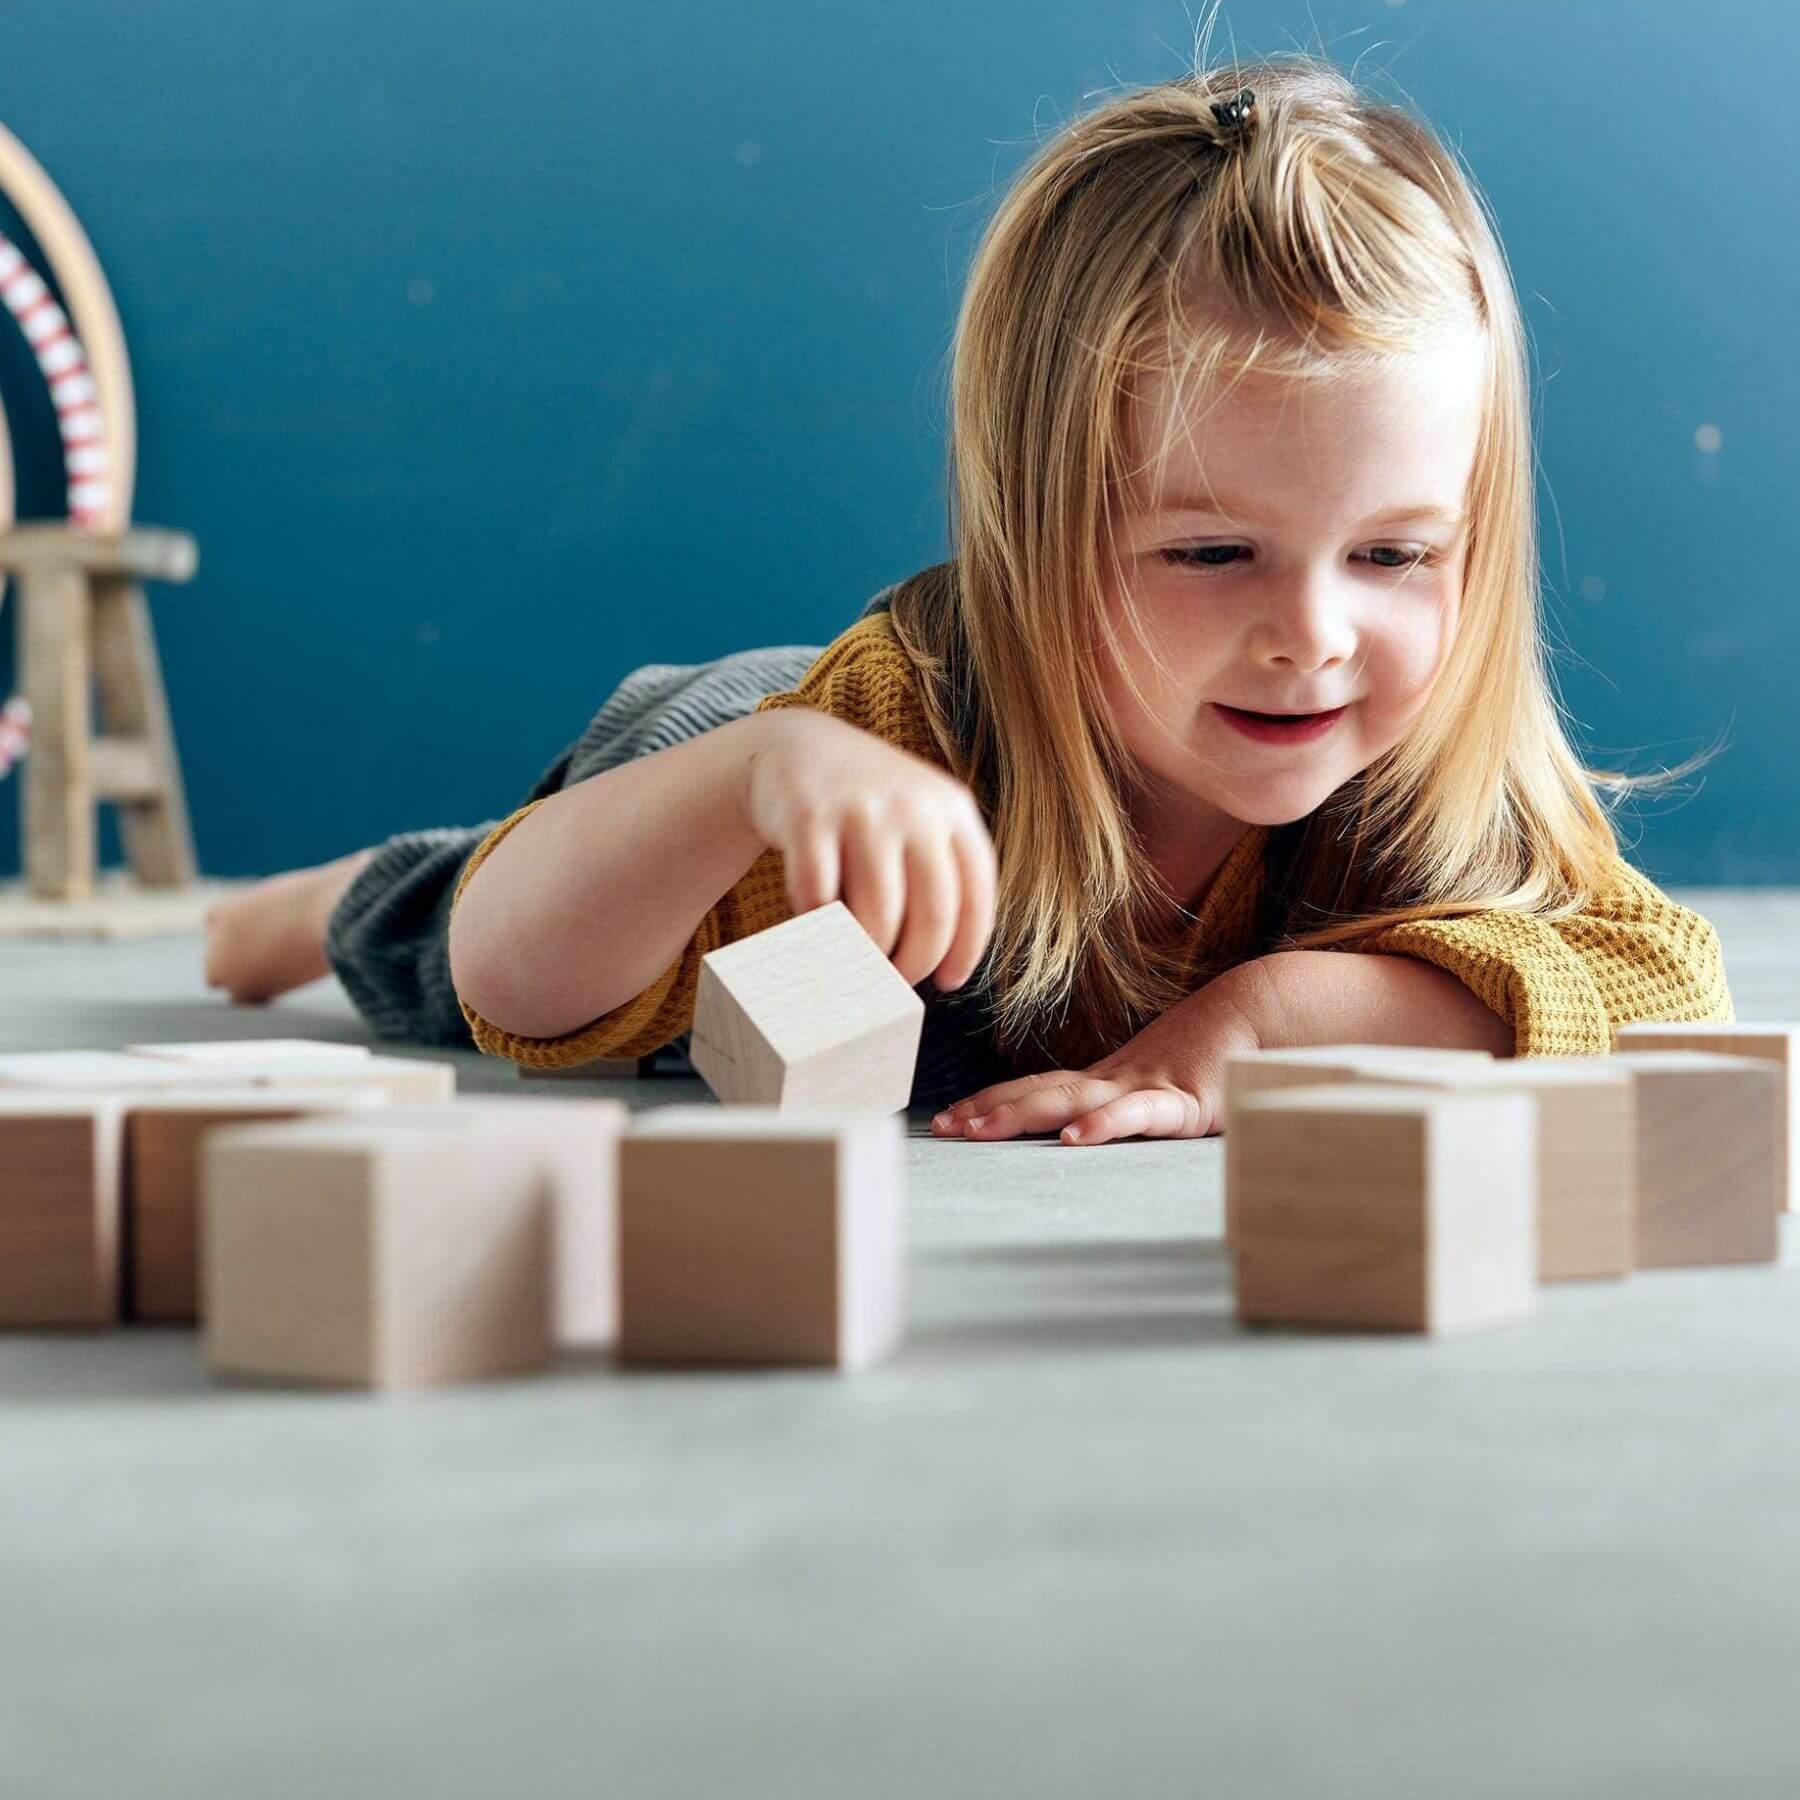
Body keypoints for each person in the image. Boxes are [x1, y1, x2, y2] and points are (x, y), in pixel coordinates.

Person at [207, 54, 1732, 1145]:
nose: (1315, 636)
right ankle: (330, 893)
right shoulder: (892, 720)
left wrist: (1260, 1018)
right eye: (1212, 554)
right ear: (1036, 533)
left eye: (1394, 557)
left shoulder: (1429, 762)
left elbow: (1661, 981)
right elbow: (518, 981)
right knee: (452, 945)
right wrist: (755, 773)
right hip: (756, 765)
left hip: (836, 760)